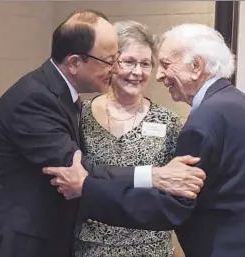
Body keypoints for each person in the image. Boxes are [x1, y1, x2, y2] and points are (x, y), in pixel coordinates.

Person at [0, 11, 206, 257]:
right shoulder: (34, 99)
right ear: (74, 62)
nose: (113, 70)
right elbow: (76, 169)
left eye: (145, 63)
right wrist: (154, 176)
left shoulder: (64, 97)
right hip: (15, 241)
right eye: (110, 61)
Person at [46, 24, 245, 257]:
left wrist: (87, 188)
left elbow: (171, 208)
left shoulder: (203, 121)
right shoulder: (243, 104)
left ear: (196, 66)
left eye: (162, 64)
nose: (159, 75)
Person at [73, 20, 181, 257]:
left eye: (145, 64)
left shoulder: (168, 121)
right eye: (129, 62)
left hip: (152, 248)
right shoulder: (80, 115)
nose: (137, 72)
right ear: (111, 64)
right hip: (91, 248)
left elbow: (178, 192)